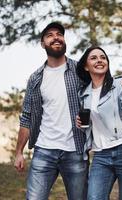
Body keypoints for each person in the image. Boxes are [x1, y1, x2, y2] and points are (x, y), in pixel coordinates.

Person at [14, 22, 88, 200]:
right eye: (49, 35)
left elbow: (101, 90)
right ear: (43, 44)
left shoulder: (79, 70)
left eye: (59, 34)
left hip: (75, 150)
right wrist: (19, 152)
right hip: (44, 150)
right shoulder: (36, 78)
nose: (56, 37)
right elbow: (27, 116)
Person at [76, 46, 122, 200]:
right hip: (101, 155)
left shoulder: (120, 83)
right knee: (94, 197)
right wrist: (80, 124)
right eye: (93, 58)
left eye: (103, 57)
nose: (99, 60)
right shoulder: (83, 93)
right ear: (86, 66)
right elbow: (91, 126)